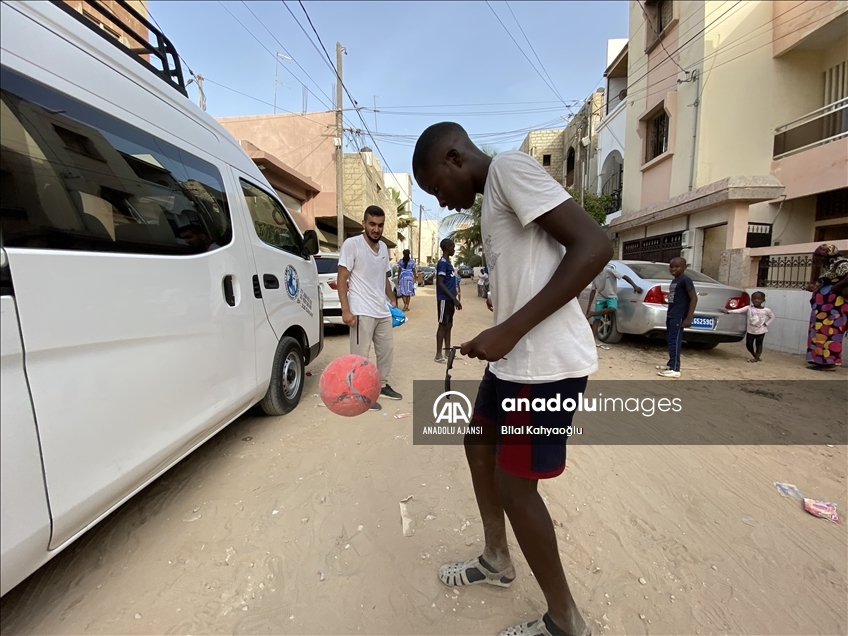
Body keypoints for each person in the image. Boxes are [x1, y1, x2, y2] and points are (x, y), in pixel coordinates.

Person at [413, 122, 610, 636]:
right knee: (477, 445)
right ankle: (497, 559)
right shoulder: (492, 201)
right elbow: (529, 275)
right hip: (512, 364)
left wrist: (509, 329)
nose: (442, 200)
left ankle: (566, 622)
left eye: (436, 187)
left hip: (544, 369)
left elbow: (595, 244)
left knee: (515, 487)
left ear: (454, 157)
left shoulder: (508, 169)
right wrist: (498, 330)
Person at [337, 206, 403, 410]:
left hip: (381, 310)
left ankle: (382, 385)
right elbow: (342, 278)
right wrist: (345, 310)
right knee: (360, 356)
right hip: (361, 310)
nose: (376, 229)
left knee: (386, 352)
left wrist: (392, 299)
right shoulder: (352, 245)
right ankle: (358, 392)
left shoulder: (383, 247)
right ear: (364, 224)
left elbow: (383, 276)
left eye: (380, 225)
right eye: (372, 224)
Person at [805, 243, 848, 371]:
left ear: (828, 255)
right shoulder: (832, 265)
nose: (820, 260)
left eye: (821, 257)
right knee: (820, 331)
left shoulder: (841, 263)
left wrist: (835, 287)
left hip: (834, 306)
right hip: (824, 307)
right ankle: (820, 360)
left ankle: (829, 362)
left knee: (831, 332)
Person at [657, 257, 697, 378]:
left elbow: (694, 298)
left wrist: (688, 317)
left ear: (684, 267)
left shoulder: (686, 280)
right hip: (672, 314)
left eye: (677, 267)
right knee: (670, 339)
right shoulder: (675, 280)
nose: (673, 269)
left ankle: (675, 369)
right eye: (671, 267)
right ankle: (671, 363)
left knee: (675, 341)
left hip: (679, 316)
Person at [585, 264, 642, 344]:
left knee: (612, 308)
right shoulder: (594, 276)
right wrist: (589, 306)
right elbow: (593, 291)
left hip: (611, 296)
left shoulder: (609, 271)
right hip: (600, 297)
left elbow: (624, 277)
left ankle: (593, 314)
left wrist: (635, 286)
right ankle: (592, 340)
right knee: (596, 319)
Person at [722, 291, 774, 363]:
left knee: (759, 344)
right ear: (751, 300)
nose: (756, 300)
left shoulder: (766, 310)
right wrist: (728, 312)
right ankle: (755, 356)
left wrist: (766, 324)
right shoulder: (748, 308)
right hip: (750, 331)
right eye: (754, 299)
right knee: (749, 345)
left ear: (763, 300)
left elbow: (772, 317)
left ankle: (756, 358)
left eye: (759, 299)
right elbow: (739, 310)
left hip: (761, 331)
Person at [434, 238, 462, 363]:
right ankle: (438, 355)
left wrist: (455, 298)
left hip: (450, 299)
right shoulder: (442, 263)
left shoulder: (449, 263)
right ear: (447, 248)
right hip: (444, 299)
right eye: (453, 247)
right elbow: (440, 283)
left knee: (449, 325)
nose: (454, 250)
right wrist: (453, 298)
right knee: (442, 325)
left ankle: (447, 352)